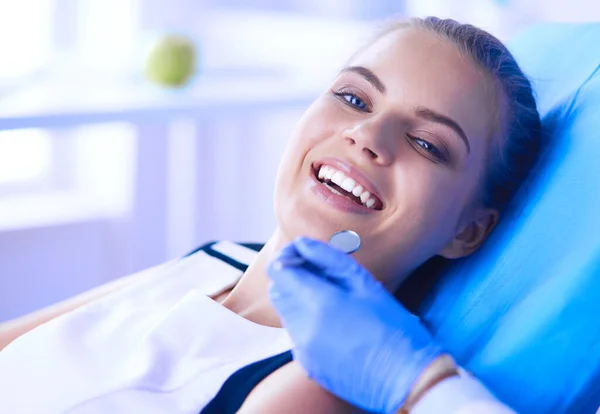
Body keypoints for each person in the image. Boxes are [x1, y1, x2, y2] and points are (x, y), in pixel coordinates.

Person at [0, 16, 540, 413]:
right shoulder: (216, 258)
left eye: (426, 143)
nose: (368, 136)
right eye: (354, 99)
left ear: (468, 230)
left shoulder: (321, 383)